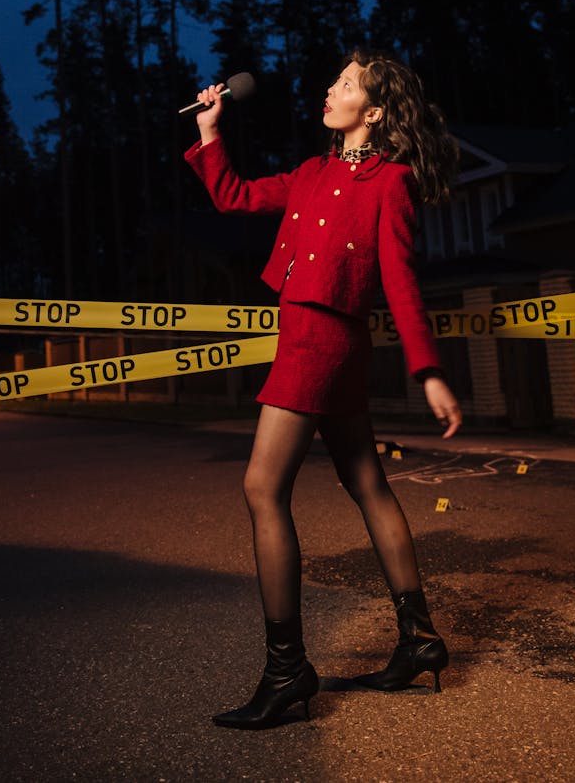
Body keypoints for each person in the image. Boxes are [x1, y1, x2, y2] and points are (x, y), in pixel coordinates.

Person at [184, 48, 462, 730]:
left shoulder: (391, 181)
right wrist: (210, 130)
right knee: (366, 479)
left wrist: (428, 370)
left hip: (324, 341)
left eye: (345, 84)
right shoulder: (311, 172)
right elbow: (234, 195)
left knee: (261, 486)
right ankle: (419, 638)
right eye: (334, 80)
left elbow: (399, 277)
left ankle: (286, 671)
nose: (329, 90)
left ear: (371, 110)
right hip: (307, 335)